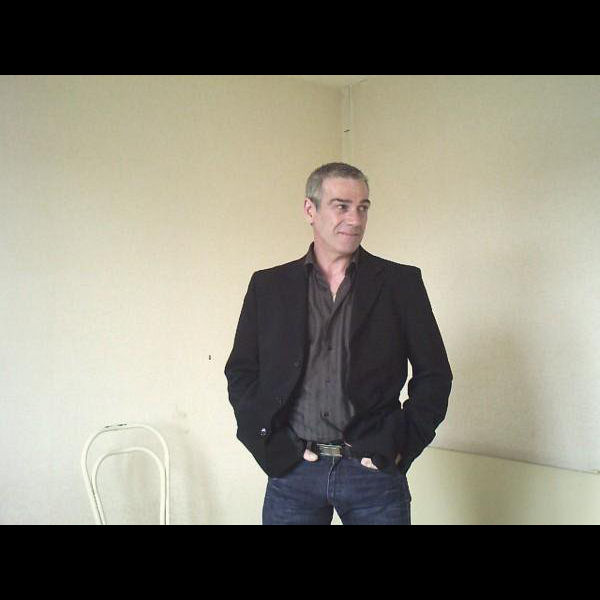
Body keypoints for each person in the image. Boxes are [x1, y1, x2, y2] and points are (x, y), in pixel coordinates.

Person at [225, 162, 452, 525]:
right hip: (293, 473)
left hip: (373, 474)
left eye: (363, 207)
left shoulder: (400, 283)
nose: (355, 219)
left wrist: (403, 444)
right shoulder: (268, 287)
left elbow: (434, 374)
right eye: (341, 206)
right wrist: (267, 444)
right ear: (309, 210)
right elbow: (241, 372)